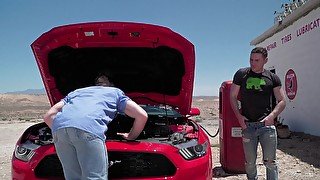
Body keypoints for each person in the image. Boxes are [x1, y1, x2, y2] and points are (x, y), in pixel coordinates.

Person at [43, 73, 148, 180]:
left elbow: (48, 116)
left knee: (72, 177)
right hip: (88, 129)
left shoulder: (76, 92)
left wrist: (66, 130)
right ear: (111, 84)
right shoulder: (114, 92)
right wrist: (131, 136)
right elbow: (142, 115)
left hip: (59, 130)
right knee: (94, 177)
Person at [230, 47, 286, 180]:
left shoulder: (272, 78)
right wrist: (239, 117)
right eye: (251, 59)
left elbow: (282, 100)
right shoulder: (241, 74)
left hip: (266, 127)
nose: (253, 63)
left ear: (265, 61)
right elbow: (232, 96)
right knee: (249, 163)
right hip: (248, 126)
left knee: (270, 162)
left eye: (257, 60)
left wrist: (272, 116)